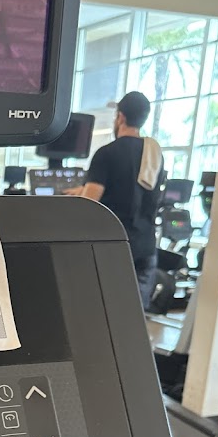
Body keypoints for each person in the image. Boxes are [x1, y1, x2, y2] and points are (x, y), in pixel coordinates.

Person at [70, 91, 165, 308]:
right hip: (146, 247)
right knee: (134, 315)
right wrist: (83, 189)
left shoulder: (107, 153)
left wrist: (81, 195)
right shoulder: (153, 155)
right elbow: (133, 188)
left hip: (115, 247)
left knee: (104, 311)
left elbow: (89, 204)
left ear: (120, 117)